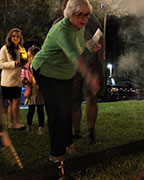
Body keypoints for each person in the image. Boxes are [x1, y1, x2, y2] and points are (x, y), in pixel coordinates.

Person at [32, 0, 99, 163]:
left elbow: (78, 44)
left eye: (86, 15)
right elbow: (75, 57)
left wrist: (90, 44)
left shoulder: (78, 27)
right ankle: (57, 153)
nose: (84, 19)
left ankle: (68, 143)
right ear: (69, 14)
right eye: (79, 15)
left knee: (68, 109)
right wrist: (90, 77)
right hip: (47, 71)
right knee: (57, 112)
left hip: (65, 74)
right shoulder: (62, 30)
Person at [55, 0, 104, 143]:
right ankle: (76, 131)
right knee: (73, 101)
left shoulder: (89, 18)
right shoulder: (58, 24)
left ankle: (91, 131)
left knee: (91, 97)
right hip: (71, 68)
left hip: (91, 64)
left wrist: (99, 58)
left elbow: (99, 35)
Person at [0, 28, 26, 130]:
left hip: (18, 79)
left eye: (18, 36)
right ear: (10, 37)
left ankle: (11, 123)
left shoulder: (21, 49)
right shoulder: (4, 49)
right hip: (8, 80)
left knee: (14, 102)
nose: (16, 38)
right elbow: (1, 64)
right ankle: (17, 123)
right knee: (15, 101)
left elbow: (25, 61)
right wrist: (14, 63)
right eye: (14, 36)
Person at [21, 46, 45, 135]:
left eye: (30, 56)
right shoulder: (26, 67)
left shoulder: (41, 66)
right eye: (29, 57)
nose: (29, 58)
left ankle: (41, 127)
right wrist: (24, 81)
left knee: (40, 110)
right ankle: (29, 126)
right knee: (30, 110)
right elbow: (23, 77)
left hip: (39, 91)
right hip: (31, 91)